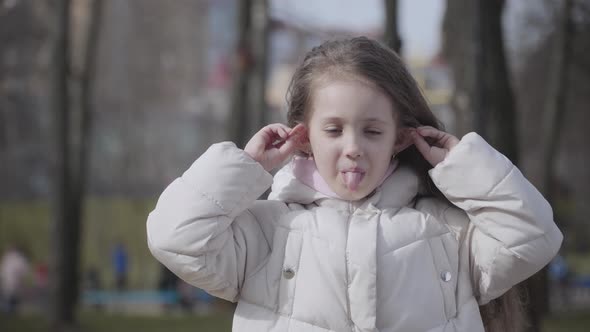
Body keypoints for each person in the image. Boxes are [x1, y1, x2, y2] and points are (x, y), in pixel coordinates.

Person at [146, 37, 563, 331]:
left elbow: (533, 235)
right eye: (334, 129)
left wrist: (464, 165)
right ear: (303, 137)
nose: (353, 148)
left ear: (401, 137)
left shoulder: (447, 234)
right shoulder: (267, 234)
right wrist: (245, 166)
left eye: (372, 131)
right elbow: (175, 237)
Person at [0, 245, 30, 314]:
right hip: (12, 287)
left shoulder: (8, 258)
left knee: (8, 304)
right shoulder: (17, 259)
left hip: (9, 287)